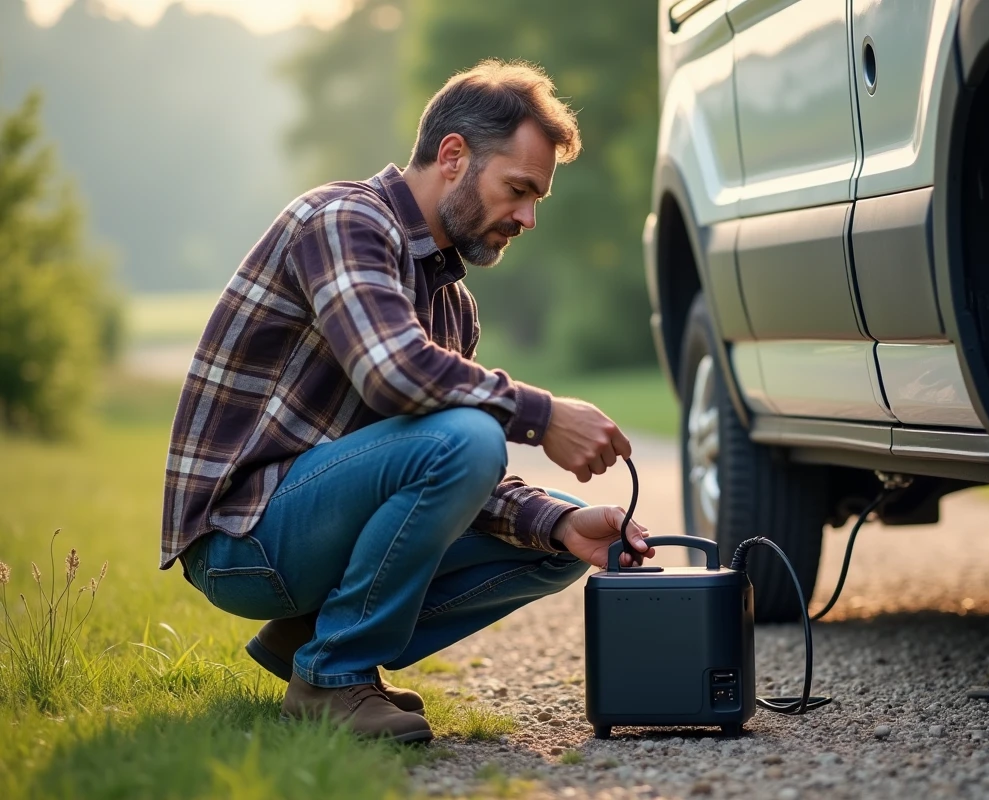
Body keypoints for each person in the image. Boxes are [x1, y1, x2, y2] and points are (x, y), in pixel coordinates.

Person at [160, 59, 655, 744]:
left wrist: (557, 523)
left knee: (561, 536)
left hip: (312, 529)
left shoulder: (452, 304)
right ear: (453, 156)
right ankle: (332, 677)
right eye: (517, 189)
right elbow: (392, 374)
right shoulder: (343, 219)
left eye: (536, 198)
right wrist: (542, 416)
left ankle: (307, 639)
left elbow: (441, 473)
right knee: (472, 437)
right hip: (242, 540)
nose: (528, 217)